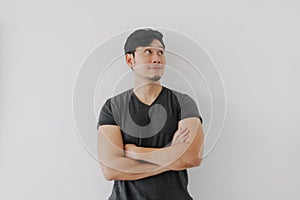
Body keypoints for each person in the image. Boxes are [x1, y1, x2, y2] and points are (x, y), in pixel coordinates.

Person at [97, 28, 204, 200]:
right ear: (129, 59)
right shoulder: (113, 107)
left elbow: (191, 157)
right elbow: (111, 169)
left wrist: (136, 152)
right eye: (148, 51)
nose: (156, 59)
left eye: (160, 52)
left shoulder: (183, 103)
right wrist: (171, 154)